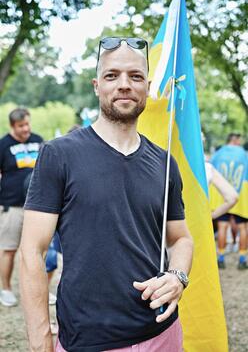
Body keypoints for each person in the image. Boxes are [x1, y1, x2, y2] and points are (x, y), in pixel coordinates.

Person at [20, 37, 193, 352]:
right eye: (113, 76)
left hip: (163, 334)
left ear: (148, 86)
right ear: (97, 85)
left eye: (135, 76)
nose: (124, 84)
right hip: (88, 340)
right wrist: (41, 339)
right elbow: (32, 251)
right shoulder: (59, 154)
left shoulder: (165, 163)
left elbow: (181, 238)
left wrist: (178, 276)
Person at [0, 108, 43, 306]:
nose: (26, 129)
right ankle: (6, 289)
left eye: (27, 124)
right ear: (12, 126)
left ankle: (38, 289)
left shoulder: (38, 139)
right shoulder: (3, 145)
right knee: (8, 249)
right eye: (21, 126)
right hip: (12, 205)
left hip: (38, 206)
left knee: (37, 250)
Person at [211, 133, 248, 269]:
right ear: (236, 140)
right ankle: (242, 260)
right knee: (243, 228)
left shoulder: (219, 154)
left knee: (222, 226)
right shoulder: (244, 154)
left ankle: (220, 258)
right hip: (241, 193)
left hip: (221, 196)